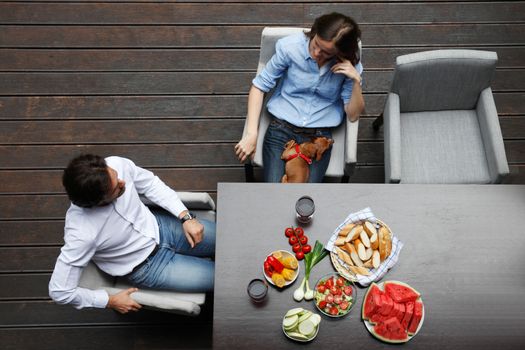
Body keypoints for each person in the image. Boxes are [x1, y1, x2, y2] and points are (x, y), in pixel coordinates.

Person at [48, 154, 215, 314]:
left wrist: (185, 217)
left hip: (163, 227)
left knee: (231, 241)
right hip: (150, 267)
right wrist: (108, 301)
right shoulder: (81, 234)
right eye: (116, 188)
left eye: (115, 176)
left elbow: (150, 184)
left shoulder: (116, 165)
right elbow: (59, 292)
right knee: (223, 278)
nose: (122, 182)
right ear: (98, 203)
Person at [234, 12, 365, 183]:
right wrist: (251, 133)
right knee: (275, 194)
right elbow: (259, 86)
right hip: (281, 129)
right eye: (315, 44)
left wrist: (355, 81)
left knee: (304, 200)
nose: (316, 52)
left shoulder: (350, 66)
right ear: (314, 32)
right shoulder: (290, 47)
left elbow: (353, 114)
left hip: (318, 138)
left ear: (340, 53)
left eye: (326, 52)